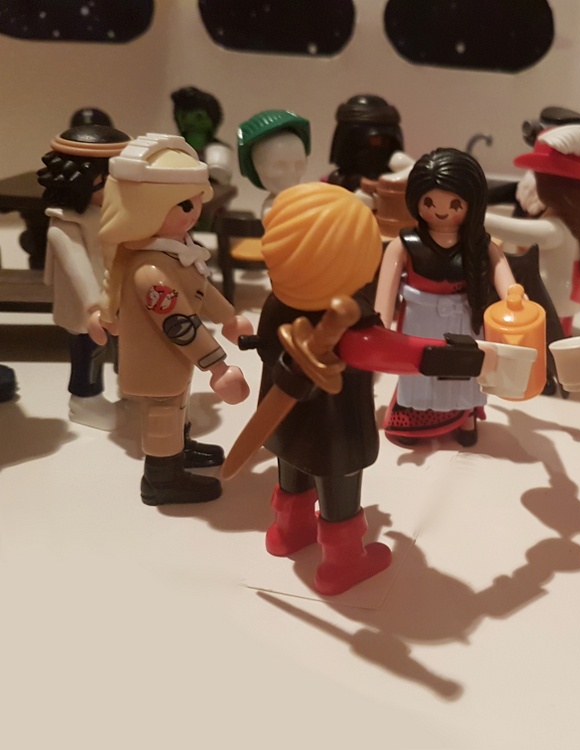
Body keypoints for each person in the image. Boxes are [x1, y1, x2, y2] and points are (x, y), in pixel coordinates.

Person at [246, 181, 529, 594]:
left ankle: (289, 531)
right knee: (338, 488)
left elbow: (267, 348)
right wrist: (473, 358)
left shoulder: (276, 303)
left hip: (283, 421)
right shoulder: (349, 325)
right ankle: (342, 562)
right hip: (334, 432)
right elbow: (406, 354)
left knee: (291, 467)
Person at [91, 133, 250, 505]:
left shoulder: (174, 251)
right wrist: (217, 366)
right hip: (158, 359)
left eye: (197, 201)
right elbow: (179, 323)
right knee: (164, 412)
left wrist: (228, 317)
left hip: (172, 360)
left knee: (178, 404)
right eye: (184, 205)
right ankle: (161, 479)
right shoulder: (150, 270)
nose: (195, 213)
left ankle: (180, 449)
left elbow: (200, 289)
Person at [375, 148, 515, 447]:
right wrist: (381, 325)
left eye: (454, 204)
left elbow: (503, 273)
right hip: (418, 319)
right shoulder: (404, 244)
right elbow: (385, 291)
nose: (442, 212)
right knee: (419, 368)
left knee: (463, 369)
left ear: (471, 204)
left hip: (465, 315)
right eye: (429, 202)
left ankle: (466, 416)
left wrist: (514, 300)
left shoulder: (479, 245)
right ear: (416, 200)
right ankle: (415, 412)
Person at [483, 124, 580, 337]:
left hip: (552, 295)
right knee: (560, 331)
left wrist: (475, 217)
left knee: (551, 335)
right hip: (567, 293)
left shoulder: (556, 229)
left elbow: (517, 231)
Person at [37, 123, 131, 429]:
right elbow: (75, 263)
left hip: (120, 294)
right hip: (88, 303)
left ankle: (130, 390)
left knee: (127, 346)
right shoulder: (65, 223)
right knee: (90, 349)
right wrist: (93, 306)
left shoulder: (114, 212)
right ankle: (85, 400)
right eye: (109, 181)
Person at [237, 109, 311, 217]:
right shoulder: (272, 210)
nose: (291, 173)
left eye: (299, 165)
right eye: (279, 166)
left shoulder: (307, 198)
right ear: (256, 167)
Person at [326, 94, 404, 192]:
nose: (377, 146)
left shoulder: (393, 174)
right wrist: (360, 182)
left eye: (384, 141)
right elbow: (337, 178)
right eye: (370, 141)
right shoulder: (338, 179)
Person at [170, 86, 234, 185]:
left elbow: (221, 177)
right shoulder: (173, 149)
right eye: (183, 116)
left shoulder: (218, 151)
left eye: (199, 117)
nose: (189, 121)